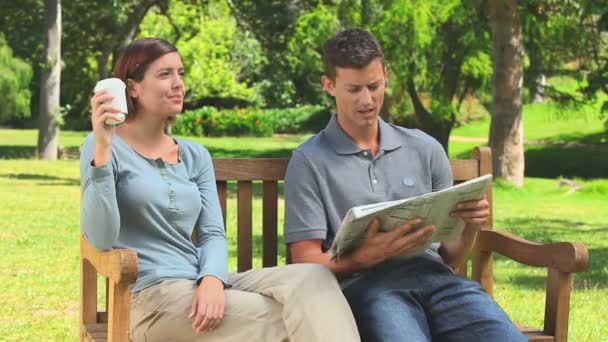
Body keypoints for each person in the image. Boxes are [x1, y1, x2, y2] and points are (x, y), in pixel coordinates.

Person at [80, 37, 360, 342]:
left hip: (202, 285)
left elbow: (212, 233)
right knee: (302, 318)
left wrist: (212, 279)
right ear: (131, 87)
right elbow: (100, 236)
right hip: (151, 300)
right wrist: (103, 149)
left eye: (181, 73)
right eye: (165, 75)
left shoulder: (194, 155)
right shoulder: (101, 147)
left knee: (315, 278)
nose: (178, 84)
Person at [284, 28, 526, 341]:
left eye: (374, 86)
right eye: (354, 89)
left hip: (438, 281)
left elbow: (451, 258)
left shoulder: (425, 149)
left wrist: (469, 225)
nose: (367, 100)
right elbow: (304, 260)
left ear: (385, 74)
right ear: (329, 85)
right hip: (368, 288)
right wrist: (362, 258)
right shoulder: (309, 161)